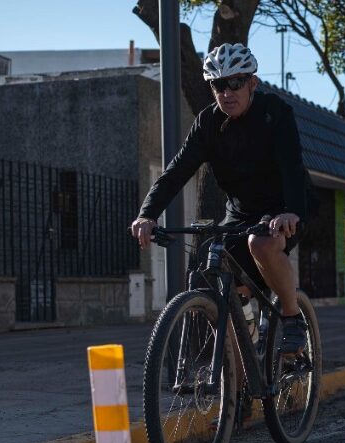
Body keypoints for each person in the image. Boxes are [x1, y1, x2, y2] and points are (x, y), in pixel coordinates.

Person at [130, 43, 309, 353]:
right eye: (218, 84)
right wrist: (148, 214)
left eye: (236, 82)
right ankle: (241, 383)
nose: (227, 92)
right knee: (218, 275)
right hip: (240, 213)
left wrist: (291, 210)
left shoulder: (275, 112)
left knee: (261, 243)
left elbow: (293, 166)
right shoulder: (208, 123)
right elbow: (176, 171)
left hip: (283, 207)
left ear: (252, 82)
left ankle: (293, 317)